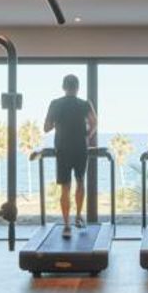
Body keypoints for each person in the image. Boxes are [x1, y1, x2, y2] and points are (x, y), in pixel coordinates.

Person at [44, 74, 97, 237]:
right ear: (78, 87)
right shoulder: (84, 104)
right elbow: (94, 122)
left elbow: (46, 127)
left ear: (63, 87)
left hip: (63, 148)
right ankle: (78, 216)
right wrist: (87, 135)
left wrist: (57, 123)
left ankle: (67, 225)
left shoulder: (55, 103)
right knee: (80, 182)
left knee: (65, 187)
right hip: (80, 147)